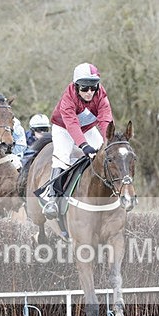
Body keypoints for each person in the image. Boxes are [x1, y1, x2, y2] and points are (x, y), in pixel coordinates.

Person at [42, 63, 113, 219]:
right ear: (76, 86)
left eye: (93, 87)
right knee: (62, 157)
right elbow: (72, 124)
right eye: (84, 88)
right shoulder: (68, 97)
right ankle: (52, 198)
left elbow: (105, 119)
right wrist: (84, 145)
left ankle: (111, 192)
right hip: (63, 128)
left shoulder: (101, 94)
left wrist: (108, 140)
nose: (89, 92)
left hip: (87, 128)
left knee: (106, 154)